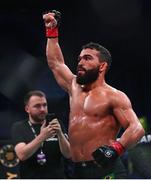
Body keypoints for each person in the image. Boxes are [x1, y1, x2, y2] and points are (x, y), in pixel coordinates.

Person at [42, 11, 145, 179]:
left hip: (106, 169)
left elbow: (137, 129)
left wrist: (116, 148)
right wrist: (51, 31)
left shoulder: (114, 96)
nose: (80, 62)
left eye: (87, 58)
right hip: (77, 170)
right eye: (80, 59)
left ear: (102, 66)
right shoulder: (74, 86)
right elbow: (55, 63)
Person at [11, 90, 70, 179]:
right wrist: (42, 136)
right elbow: (22, 155)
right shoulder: (19, 127)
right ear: (27, 109)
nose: (42, 109)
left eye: (44, 105)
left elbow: (68, 154)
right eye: (37, 106)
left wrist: (60, 134)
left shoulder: (56, 124)